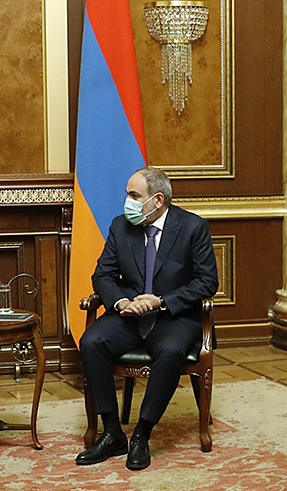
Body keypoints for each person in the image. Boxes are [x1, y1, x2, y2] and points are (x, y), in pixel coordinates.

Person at [75, 167, 218, 472]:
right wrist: (122, 302)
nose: (127, 202)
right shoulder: (120, 226)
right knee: (91, 341)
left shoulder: (193, 227)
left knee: (170, 350)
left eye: (134, 195)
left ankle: (142, 433)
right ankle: (112, 433)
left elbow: (207, 282)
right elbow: (102, 275)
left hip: (174, 317)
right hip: (129, 316)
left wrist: (161, 301)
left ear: (158, 200)